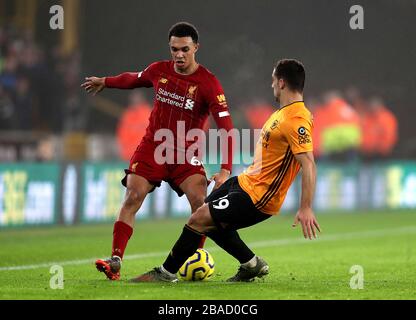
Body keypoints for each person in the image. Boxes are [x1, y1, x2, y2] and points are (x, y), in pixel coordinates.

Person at [131, 59, 320, 283]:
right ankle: (251, 264)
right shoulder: (283, 113)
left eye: (272, 81)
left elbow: (308, 162)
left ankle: (165, 273)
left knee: (199, 219)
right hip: (245, 182)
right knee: (203, 215)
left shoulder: (296, 118)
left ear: (281, 83)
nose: (270, 86)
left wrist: (306, 207)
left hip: (260, 196)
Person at [81, 22, 234, 280]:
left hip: (185, 153)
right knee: (133, 196)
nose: (179, 55)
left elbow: (227, 128)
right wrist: (105, 82)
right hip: (152, 147)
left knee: (201, 205)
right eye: (174, 49)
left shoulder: (208, 84)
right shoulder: (159, 70)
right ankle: (116, 259)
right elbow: (133, 79)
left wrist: (225, 170)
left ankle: (190, 259)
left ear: (196, 47)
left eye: (185, 49)